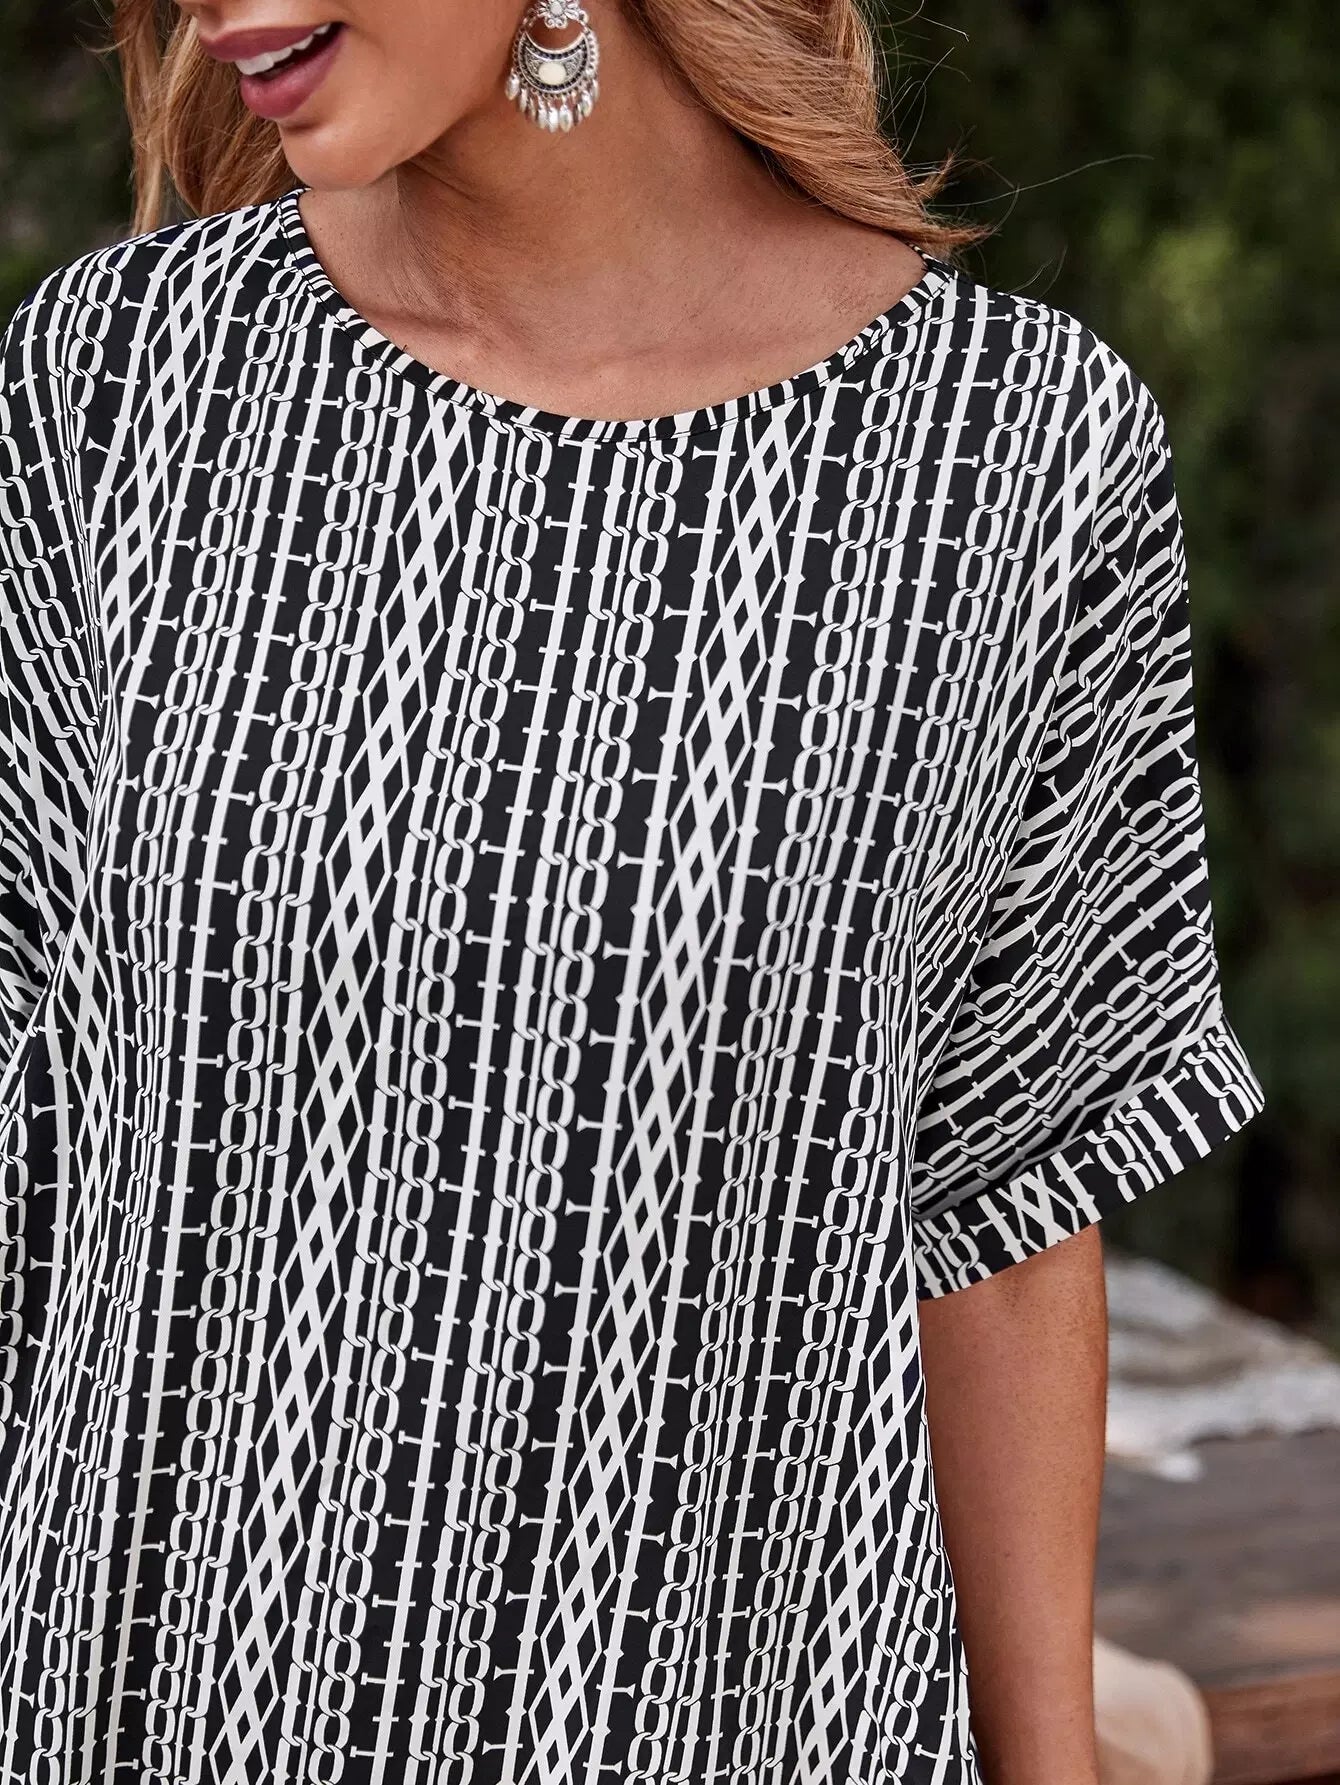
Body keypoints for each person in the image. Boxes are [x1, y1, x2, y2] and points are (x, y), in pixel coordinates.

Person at [0, 1, 1264, 1780]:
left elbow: (1002, 1209)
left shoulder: (1015, 462)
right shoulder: (122, 388)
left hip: (722, 1708)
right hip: (148, 1699)